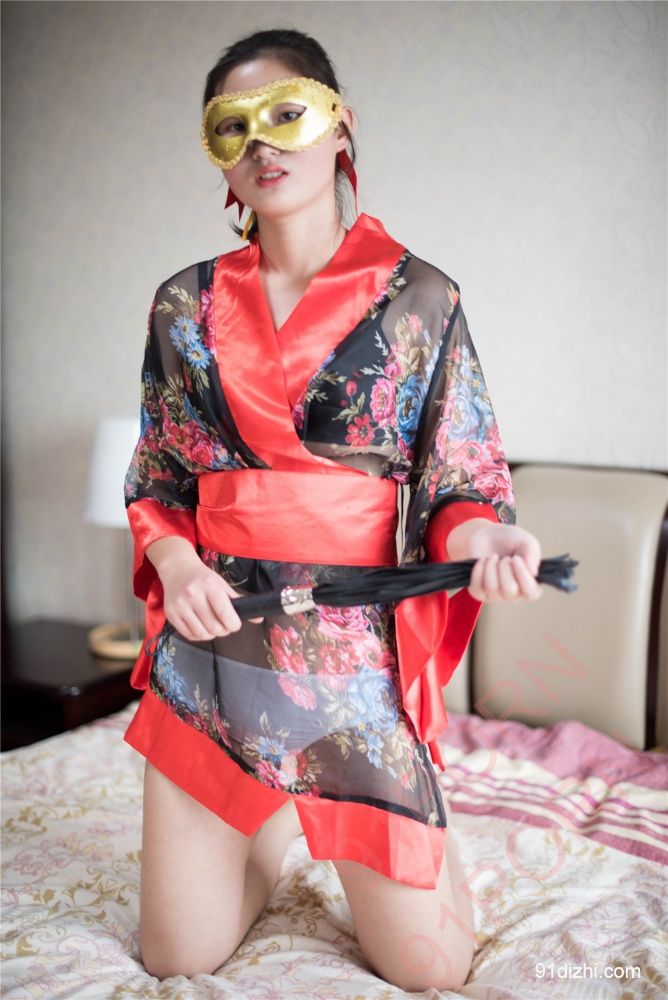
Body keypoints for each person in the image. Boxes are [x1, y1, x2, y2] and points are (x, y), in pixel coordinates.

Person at [122, 27, 543, 992]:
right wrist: (177, 565)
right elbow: (158, 480)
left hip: (351, 670)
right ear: (218, 154)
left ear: (340, 124)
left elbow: (460, 481)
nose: (262, 143)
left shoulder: (421, 299)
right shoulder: (181, 307)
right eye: (233, 128)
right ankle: (265, 821)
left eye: (286, 114)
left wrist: (488, 537)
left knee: (433, 972)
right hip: (215, 659)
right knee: (176, 959)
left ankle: (359, 806)